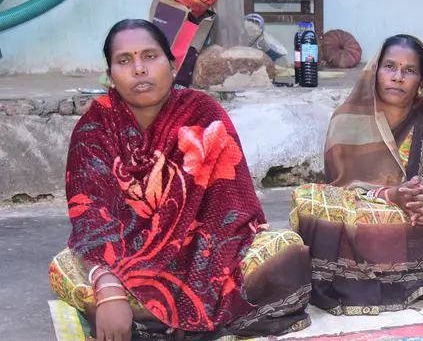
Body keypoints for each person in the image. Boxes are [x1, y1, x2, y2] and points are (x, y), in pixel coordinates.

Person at [48, 19, 311, 341]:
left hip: (205, 254)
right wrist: (110, 288)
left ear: (172, 65)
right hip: (123, 261)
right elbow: (89, 218)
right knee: (66, 266)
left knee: (285, 251)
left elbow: (232, 210)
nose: (139, 69)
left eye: (149, 56)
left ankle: (157, 318)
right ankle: (167, 314)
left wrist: (193, 285)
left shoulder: (203, 113)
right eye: (124, 60)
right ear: (110, 75)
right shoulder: (95, 127)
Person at [291, 34, 423, 315]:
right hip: (371, 222)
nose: (397, 77)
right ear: (375, 70)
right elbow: (341, 191)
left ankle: (414, 280)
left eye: (409, 71)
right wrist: (391, 196)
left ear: (421, 79)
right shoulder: (346, 119)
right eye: (390, 67)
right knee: (310, 201)